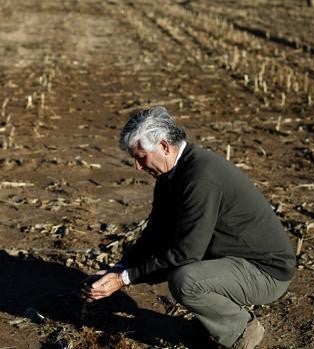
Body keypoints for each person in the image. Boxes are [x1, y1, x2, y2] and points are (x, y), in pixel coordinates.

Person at [81, 106, 296, 348]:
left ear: (164, 146)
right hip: (233, 259)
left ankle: (241, 331)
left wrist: (124, 279)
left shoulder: (201, 177)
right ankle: (213, 323)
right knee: (182, 269)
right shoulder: (170, 175)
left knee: (186, 280)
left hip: (267, 272)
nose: (138, 167)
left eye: (141, 157)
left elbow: (186, 253)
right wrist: (119, 267)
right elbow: (155, 233)